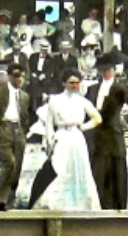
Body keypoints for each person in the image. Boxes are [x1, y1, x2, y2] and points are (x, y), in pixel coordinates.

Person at [35, 69, 102, 211]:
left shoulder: (82, 101)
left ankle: (80, 204)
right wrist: (49, 141)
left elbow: (97, 118)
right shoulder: (55, 100)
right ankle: (57, 203)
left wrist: (83, 127)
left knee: (79, 169)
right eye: (71, 82)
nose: (74, 85)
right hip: (61, 137)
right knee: (60, 168)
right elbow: (49, 123)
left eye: (77, 83)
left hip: (77, 138)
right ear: (64, 83)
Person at [87, 51, 128, 210]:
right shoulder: (93, 89)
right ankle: (99, 204)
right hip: (97, 133)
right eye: (103, 69)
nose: (106, 72)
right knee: (98, 169)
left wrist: (125, 119)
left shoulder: (119, 88)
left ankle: (118, 205)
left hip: (113, 132)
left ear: (114, 70)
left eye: (109, 69)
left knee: (116, 169)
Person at [0, 64, 32, 211]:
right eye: (16, 76)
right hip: (3, 128)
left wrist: (23, 131)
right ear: (9, 77)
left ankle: (10, 200)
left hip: (18, 131)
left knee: (17, 166)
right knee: (8, 163)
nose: (19, 79)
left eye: (22, 76)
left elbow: (25, 116)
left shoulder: (24, 96)